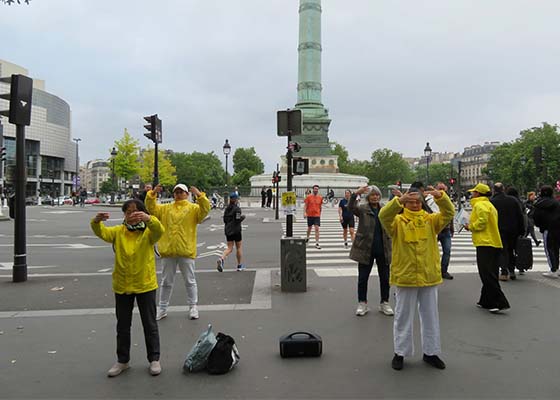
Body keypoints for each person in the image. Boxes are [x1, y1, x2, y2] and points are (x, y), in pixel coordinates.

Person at [379, 186, 455, 371]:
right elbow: (383, 216)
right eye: (410, 201)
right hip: (406, 275)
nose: (414, 204)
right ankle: (400, 352)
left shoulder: (431, 220)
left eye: (417, 201)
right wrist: (398, 201)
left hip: (428, 275)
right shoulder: (397, 221)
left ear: (422, 203)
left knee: (431, 316)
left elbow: (449, 212)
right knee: (403, 316)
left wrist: (441, 197)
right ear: (405, 202)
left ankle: (431, 352)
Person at [90, 199, 164, 377]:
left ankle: (154, 359)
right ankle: (122, 361)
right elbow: (103, 233)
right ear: (124, 214)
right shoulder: (118, 231)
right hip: (122, 285)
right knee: (123, 325)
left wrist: (149, 218)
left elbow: (159, 230)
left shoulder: (148, 233)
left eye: (136, 211)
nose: (132, 215)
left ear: (143, 213)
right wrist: (96, 221)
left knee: (150, 324)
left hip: (145, 284)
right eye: (128, 212)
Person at [145, 183, 210, 321]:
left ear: (187, 194)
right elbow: (151, 209)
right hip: (169, 251)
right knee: (166, 282)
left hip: (185, 250)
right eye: (176, 192)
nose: (178, 194)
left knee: (190, 281)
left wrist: (200, 196)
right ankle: (162, 308)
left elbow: (205, 210)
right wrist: (152, 194)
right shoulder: (165, 209)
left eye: (181, 192)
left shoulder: (193, 209)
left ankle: (193, 306)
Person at [464, 183, 510, 313]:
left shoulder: (479, 205)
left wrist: (470, 226)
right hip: (493, 241)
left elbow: (482, 222)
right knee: (491, 272)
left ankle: (499, 302)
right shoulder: (489, 204)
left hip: (485, 242)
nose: (471, 194)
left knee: (486, 273)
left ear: (478, 193)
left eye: (473, 192)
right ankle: (485, 300)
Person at [349, 185, 393, 317]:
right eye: (373, 195)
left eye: (377, 195)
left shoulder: (385, 209)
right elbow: (350, 208)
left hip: (383, 247)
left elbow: (399, 210)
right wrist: (356, 193)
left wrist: (401, 197)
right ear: (368, 197)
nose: (375, 197)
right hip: (365, 248)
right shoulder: (363, 209)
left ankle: (384, 302)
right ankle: (362, 303)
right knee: (363, 278)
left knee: (385, 278)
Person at [491, 183, 525, 281]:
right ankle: (512, 270)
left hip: (499, 229)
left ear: (494, 190)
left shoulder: (492, 201)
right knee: (511, 250)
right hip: (513, 230)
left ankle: (504, 272)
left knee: (502, 250)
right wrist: (522, 230)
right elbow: (520, 216)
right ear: (503, 189)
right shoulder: (513, 200)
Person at [532, 185, 560, 278]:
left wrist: (540, 226)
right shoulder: (556, 203)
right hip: (557, 228)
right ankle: (556, 268)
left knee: (549, 249)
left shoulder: (539, 204)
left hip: (547, 228)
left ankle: (553, 269)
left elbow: (536, 216)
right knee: (556, 249)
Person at [217, 192, 246, 272]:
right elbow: (237, 220)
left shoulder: (227, 209)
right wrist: (242, 218)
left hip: (228, 230)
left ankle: (222, 258)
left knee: (229, 248)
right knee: (239, 247)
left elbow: (225, 220)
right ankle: (239, 266)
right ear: (236, 199)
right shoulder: (237, 209)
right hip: (236, 230)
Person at [433, 182, 454, 280]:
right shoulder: (432, 200)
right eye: (439, 188)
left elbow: (451, 213)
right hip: (436, 229)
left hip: (446, 230)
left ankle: (443, 271)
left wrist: (452, 227)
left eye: (443, 189)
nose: (442, 191)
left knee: (447, 251)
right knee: (431, 251)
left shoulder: (447, 199)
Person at [304, 184, 323, 249]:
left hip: (317, 215)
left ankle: (317, 243)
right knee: (309, 228)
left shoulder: (320, 197)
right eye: (315, 189)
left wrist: (320, 213)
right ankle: (307, 238)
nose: (316, 190)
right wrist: (304, 213)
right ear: (313, 190)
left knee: (317, 228)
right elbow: (305, 205)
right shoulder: (308, 197)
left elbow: (320, 206)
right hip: (310, 214)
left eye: (317, 189)